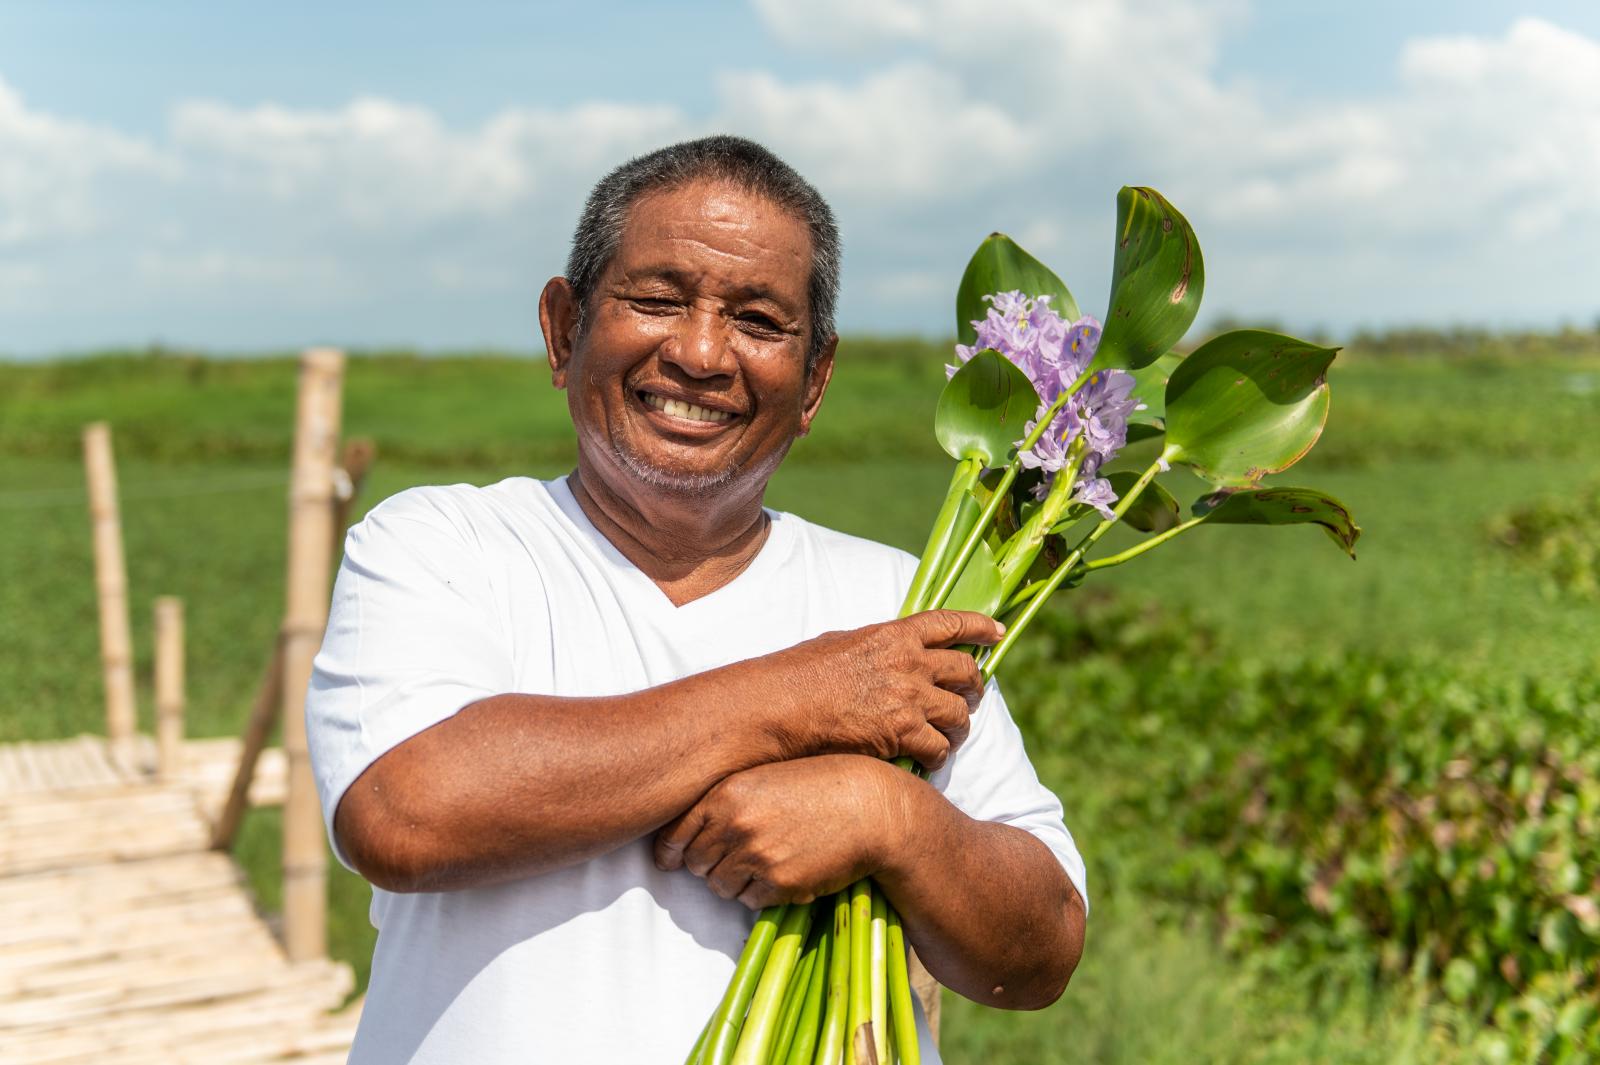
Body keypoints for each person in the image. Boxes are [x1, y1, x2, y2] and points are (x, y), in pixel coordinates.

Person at [307, 135, 1086, 1064]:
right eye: (657, 300)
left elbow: (1040, 951)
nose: (703, 352)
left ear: (817, 381)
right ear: (564, 329)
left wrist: (890, 817)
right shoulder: (444, 545)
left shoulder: (897, 597)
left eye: (759, 320)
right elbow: (402, 812)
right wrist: (799, 697)